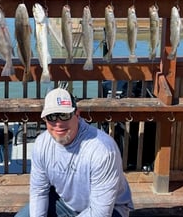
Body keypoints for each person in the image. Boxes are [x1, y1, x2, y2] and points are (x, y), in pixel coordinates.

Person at [15, 87, 134, 217]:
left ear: (77, 115)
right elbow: (39, 191)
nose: (58, 123)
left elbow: (100, 213)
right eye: (52, 116)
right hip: (65, 204)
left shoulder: (102, 150)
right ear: (45, 119)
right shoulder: (41, 144)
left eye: (64, 115)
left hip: (111, 210)